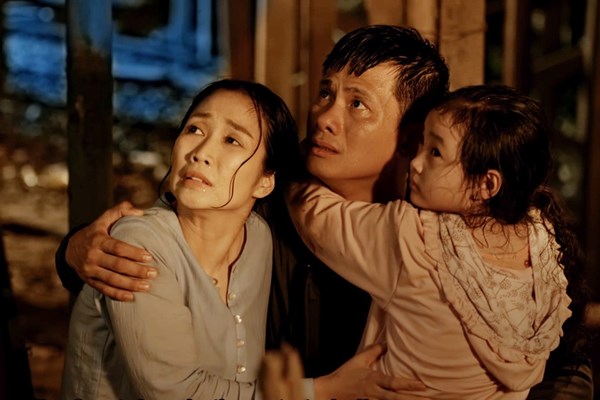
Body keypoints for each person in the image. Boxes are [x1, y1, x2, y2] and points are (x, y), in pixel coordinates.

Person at [56, 26, 593, 399]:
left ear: (412, 137)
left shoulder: (468, 233)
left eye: (357, 104)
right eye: (325, 92)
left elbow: (567, 361)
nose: (325, 116)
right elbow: (161, 239)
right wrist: (76, 251)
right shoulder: (262, 196)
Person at [286, 84, 587, 398]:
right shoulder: (543, 241)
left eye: (434, 152)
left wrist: (298, 159)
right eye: (420, 145)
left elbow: (312, 214)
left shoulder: (415, 238)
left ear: (487, 185)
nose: (415, 163)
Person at [60, 79, 304, 400]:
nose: (201, 153)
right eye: (195, 130)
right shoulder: (139, 245)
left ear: (265, 181)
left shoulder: (258, 238)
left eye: (231, 140)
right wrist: (317, 392)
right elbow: (175, 393)